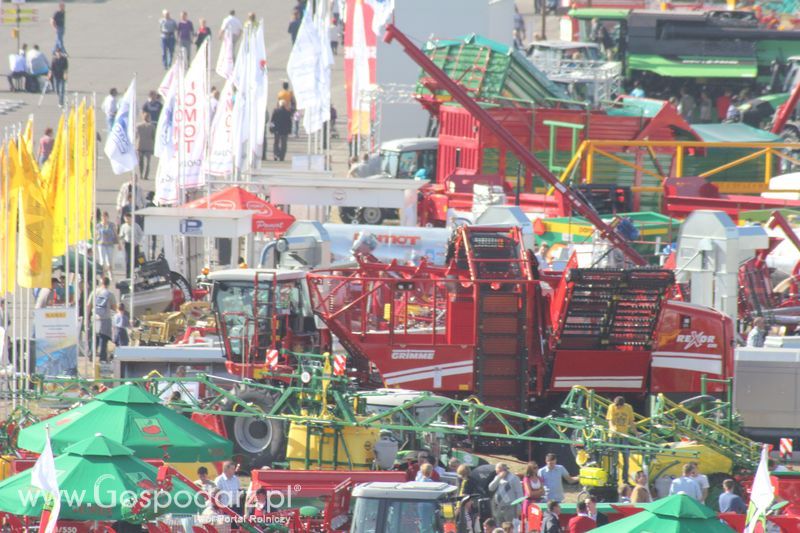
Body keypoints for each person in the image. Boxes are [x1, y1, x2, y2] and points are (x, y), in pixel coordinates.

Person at [87, 277, 117, 363]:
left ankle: (91, 354)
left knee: (94, 337)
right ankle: (102, 357)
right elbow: (114, 307)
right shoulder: (110, 294)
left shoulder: (95, 292)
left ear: (101, 283)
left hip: (95, 318)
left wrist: (88, 317)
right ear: (108, 284)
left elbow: (88, 305)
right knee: (104, 338)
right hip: (105, 319)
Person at [119, 212, 144, 278]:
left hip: (135, 245)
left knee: (136, 259)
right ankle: (128, 275)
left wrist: (138, 241)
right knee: (128, 260)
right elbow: (121, 235)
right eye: (125, 218)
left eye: (128, 218)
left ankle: (136, 275)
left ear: (131, 218)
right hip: (128, 245)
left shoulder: (136, 225)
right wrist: (121, 240)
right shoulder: (123, 226)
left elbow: (141, 234)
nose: (127, 220)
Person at [95, 212, 117, 281]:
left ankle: (110, 273)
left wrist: (118, 242)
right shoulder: (98, 225)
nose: (104, 218)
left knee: (109, 260)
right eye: (103, 217)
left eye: (105, 217)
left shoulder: (111, 225)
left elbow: (115, 233)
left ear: (108, 217)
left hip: (110, 244)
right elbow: (96, 234)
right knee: (102, 260)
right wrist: (95, 241)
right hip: (101, 244)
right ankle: (102, 275)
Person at [136, 112, 156, 180]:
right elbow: (153, 136)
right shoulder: (152, 126)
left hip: (140, 145)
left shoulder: (138, 126)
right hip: (148, 146)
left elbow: (136, 135)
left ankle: (141, 174)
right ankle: (146, 175)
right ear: (149, 118)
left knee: (140, 161)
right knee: (148, 162)